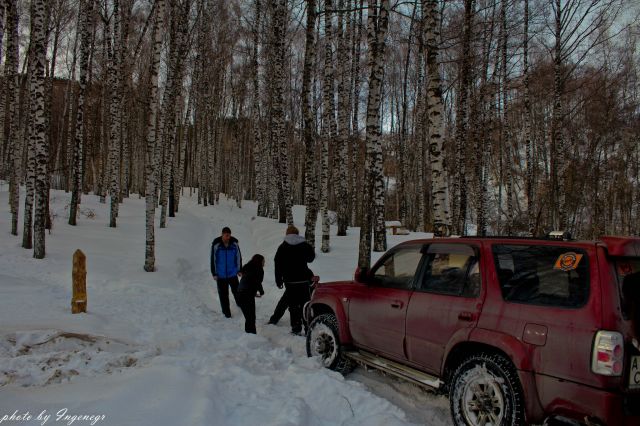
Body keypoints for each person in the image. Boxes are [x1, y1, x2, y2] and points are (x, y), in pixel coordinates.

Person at [274, 225, 315, 335]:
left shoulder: (282, 247)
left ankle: (296, 328)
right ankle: (308, 328)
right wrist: (308, 247)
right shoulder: (304, 245)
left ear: (287, 234)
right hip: (303, 280)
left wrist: (278, 280)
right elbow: (311, 258)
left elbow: (277, 264)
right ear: (297, 233)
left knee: (293, 305)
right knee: (305, 304)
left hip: (290, 281)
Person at [211, 226, 242, 318]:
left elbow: (238, 257)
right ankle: (226, 313)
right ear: (222, 235)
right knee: (223, 295)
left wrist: (239, 270)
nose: (227, 238)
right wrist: (214, 273)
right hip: (221, 275)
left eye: (228, 236)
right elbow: (213, 259)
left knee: (237, 292)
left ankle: (241, 304)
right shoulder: (216, 245)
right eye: (225, 236)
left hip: (232, 273)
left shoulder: (234, 244)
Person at [237, 254, 266, 334]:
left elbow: (249, 281)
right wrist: (261, 291)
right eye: (263, 261)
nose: (264, 263)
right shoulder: (258, 270)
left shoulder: (248, 267)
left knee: (249, 317)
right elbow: (257, 282)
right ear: (259, 261)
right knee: (251, 318)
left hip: (240, 294)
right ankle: (251, 335)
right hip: (246, 295)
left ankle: (249, 335)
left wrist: (253, 293)